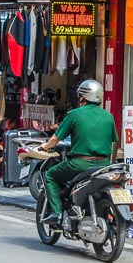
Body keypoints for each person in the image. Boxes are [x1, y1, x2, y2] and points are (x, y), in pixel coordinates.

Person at [39, 80, 117, 226]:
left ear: (82, 97)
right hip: (104, 165)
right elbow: (114, 142)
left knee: (50, 175)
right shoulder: (108, 116)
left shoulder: (75, 114)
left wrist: (45, 146)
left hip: (79, 164)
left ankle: (57, 214)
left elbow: (56, 138)